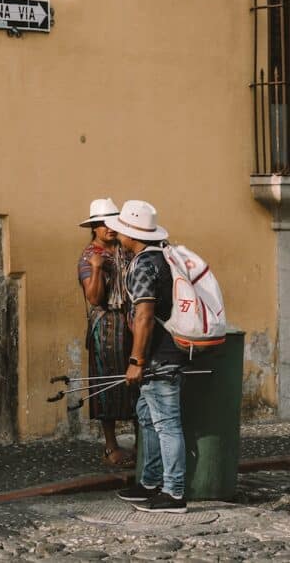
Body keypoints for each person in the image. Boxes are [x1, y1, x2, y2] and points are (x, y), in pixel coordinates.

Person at [111, 200, 188, 513]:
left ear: (132, 234)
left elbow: (143, 315)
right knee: (148, 418)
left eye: (121, 232)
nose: (117, 236)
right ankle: (150, 482)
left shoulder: (144, 265)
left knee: (167, 424)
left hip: (158, 358)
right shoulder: (164, 258)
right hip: (168, 353)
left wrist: (136, 361)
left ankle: (173, 494)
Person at [77, 198, 136, 466]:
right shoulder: (90, 256)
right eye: (103, 223)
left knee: (137, 383)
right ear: (94, 227)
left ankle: (142, 441)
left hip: (130, 323)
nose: (109, 228)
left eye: (112, 222)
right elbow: (94, 297)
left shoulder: (126, 250)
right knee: (106, 383)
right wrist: (98, 268)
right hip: (107, 326)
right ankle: (111, 446)